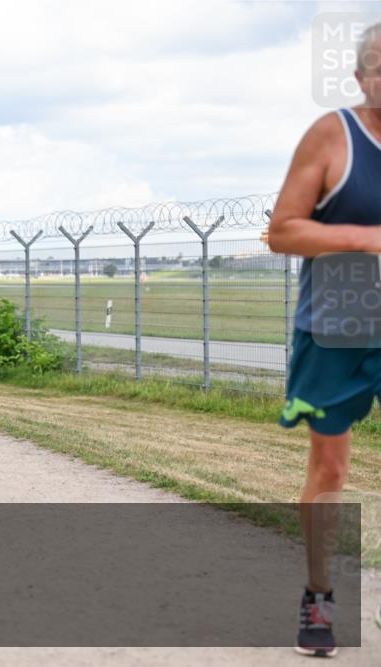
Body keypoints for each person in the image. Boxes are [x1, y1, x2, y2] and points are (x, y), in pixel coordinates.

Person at [266, 23, 381, 659]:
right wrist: (364, 238)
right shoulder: (333, 135)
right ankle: (319, 596)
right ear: (361, 78)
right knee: (331, 469)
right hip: (336, 332)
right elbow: (282, 232)